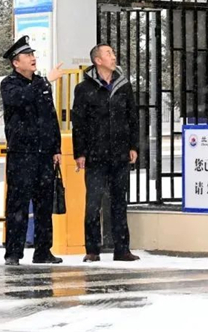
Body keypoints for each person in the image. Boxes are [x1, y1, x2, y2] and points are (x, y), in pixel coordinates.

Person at [71, 44, 140, 262]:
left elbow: (132, 118)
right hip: (95, 155)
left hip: (119, 153)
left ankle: (122, 249)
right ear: (97, 60)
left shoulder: (123, 85)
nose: (113, 56)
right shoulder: (84, 89)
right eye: (108, 53)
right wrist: (80, 153)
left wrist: (133, 146)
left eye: (113, 53)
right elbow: (79, 123)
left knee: (119, 201)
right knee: (93, 202)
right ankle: (92, 249)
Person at [0, 35, 65, 266]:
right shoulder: (10, 84)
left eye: (32, 54)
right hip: (22, 153)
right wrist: (46, 81)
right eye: (27, 55)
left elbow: (50, 117)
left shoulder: (40, 84)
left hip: (44, 153)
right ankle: (13, 252)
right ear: (16, 62)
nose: (32, 58)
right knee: (17, 204)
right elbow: (22, 99)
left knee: (44, 204)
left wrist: (56, 147)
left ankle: (43, 250)